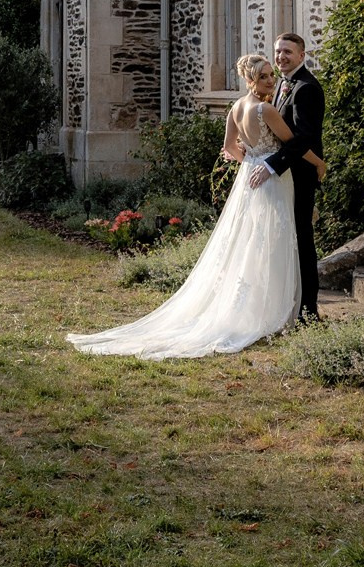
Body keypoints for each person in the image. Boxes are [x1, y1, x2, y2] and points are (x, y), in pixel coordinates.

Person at [66, 55, 324, 359]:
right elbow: (295, 144)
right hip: (271, 181)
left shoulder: (235, 109)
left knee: (250, 240)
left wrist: (252, 160)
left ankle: (260, 306)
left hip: (249, 179)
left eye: (271, 75)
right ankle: (273, 312)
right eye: (265, 76)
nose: (271, 81)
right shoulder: (265, 109)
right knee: (272, 241)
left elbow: (229, 149)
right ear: (251, 80)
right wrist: (319, 164)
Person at [249, 32, 326, 323]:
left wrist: (271, 165)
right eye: (278, 51)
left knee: (303, 238)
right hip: (284, 178)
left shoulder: (307, 88)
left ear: (302, 56)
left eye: (288, 52)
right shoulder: (281, 83)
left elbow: (305, 136)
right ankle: (286, 304)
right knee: (283, 239)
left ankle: (309, 310)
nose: (282, 57)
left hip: (300, 175)